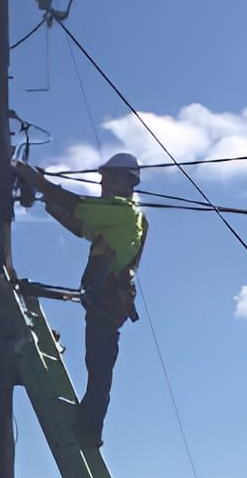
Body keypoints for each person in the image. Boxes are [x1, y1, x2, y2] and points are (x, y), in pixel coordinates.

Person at [15, 150, 148, 448]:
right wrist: (45, 197)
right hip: (104, 303)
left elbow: (78, 207)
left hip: (107, 303)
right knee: (97, 363)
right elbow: (80, 226)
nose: (101, 183)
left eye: (106, 178)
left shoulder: (122, 212)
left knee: (99, 365)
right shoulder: (119, 217)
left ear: (122, 180)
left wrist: (38, 183)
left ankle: (90, 429)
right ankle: (90, 425)